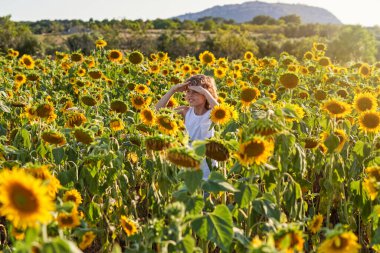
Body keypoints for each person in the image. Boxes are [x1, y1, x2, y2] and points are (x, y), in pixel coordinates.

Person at [155, 74, 219, 179]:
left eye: (195, 92)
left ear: (206, 94)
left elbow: (220, 110)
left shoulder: (211, 113)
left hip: (207, 164)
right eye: (188, 91)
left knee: (207, 193)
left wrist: (204, 91)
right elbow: (158, 112)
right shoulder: (186, 111)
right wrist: (173, 90)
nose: (190, 95)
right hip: (189, 163)